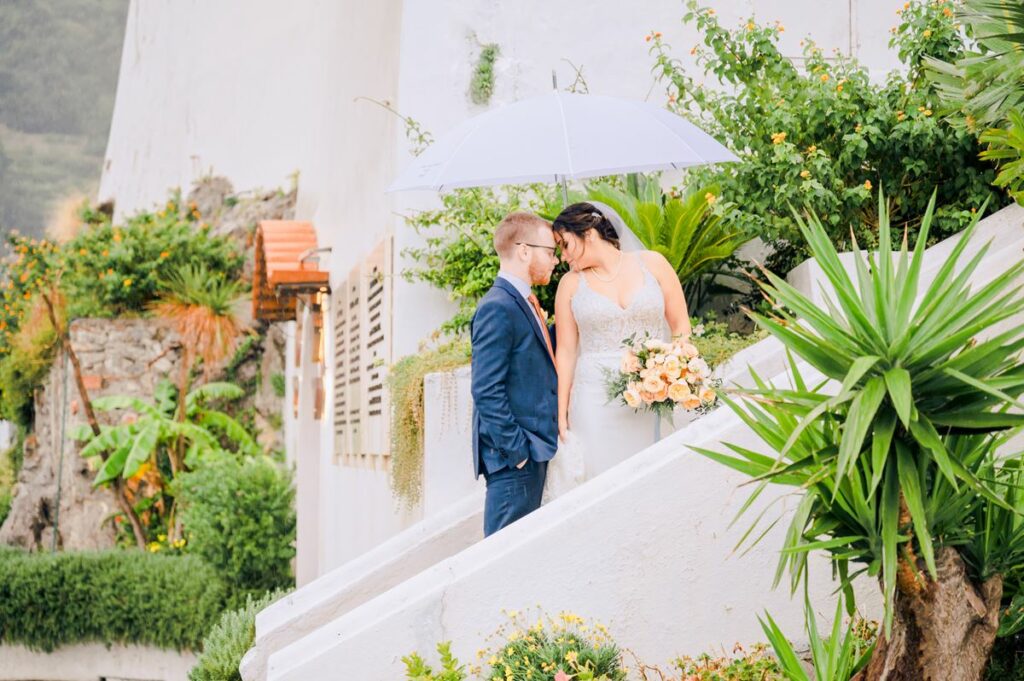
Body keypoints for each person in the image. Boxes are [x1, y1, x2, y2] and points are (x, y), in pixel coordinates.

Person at [547, 201, 692, 493]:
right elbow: (565, 352)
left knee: (651, 482)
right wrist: (560, 413)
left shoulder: (653, 263)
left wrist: (671, 372)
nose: (562, 257)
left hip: (652, 395)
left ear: (588, 233)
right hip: (594, 401)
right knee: (602, 484)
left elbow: (680, 327)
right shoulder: (570, 285)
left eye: (565, 245)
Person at [470, 211, 560, 536]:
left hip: (531, 453)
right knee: (500, 565)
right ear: (524, 250)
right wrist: (518, 452)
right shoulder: (498, 307)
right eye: (550, 252)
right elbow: (485, 389)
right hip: (514, 461)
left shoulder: (521, 301)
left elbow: (533, 357)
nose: (555, 261)